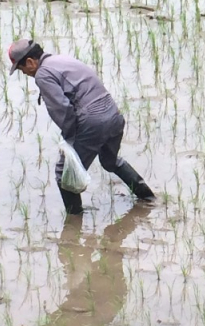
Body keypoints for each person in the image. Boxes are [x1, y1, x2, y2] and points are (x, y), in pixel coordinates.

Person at [8, 39, 155, 214]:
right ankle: (148, 198)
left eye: (21, 68)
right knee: (110, 161)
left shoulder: (42, 74)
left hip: (93, 121)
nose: (24, 73)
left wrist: (69, 141)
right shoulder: (62, 60)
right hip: (113, 114)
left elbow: (63, 109)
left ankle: (74, 225)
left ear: (30, 62)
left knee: (64, 174)